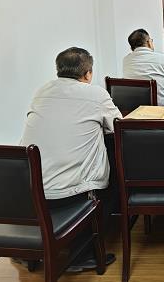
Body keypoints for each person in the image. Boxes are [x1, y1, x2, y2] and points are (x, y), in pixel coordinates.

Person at [20, 47, 120, 271]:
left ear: (58, 70)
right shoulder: (96, 95)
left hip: (30, 188)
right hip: (69, 192)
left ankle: (33, 250)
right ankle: (81, 254)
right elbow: (117, 127)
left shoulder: (42, 91)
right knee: (114, 183)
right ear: (88, 73)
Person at [123, 29, 164, 107]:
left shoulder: (126, 60)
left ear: (132, 47)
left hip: (136, 110)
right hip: (163, 111)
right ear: (148, 42)